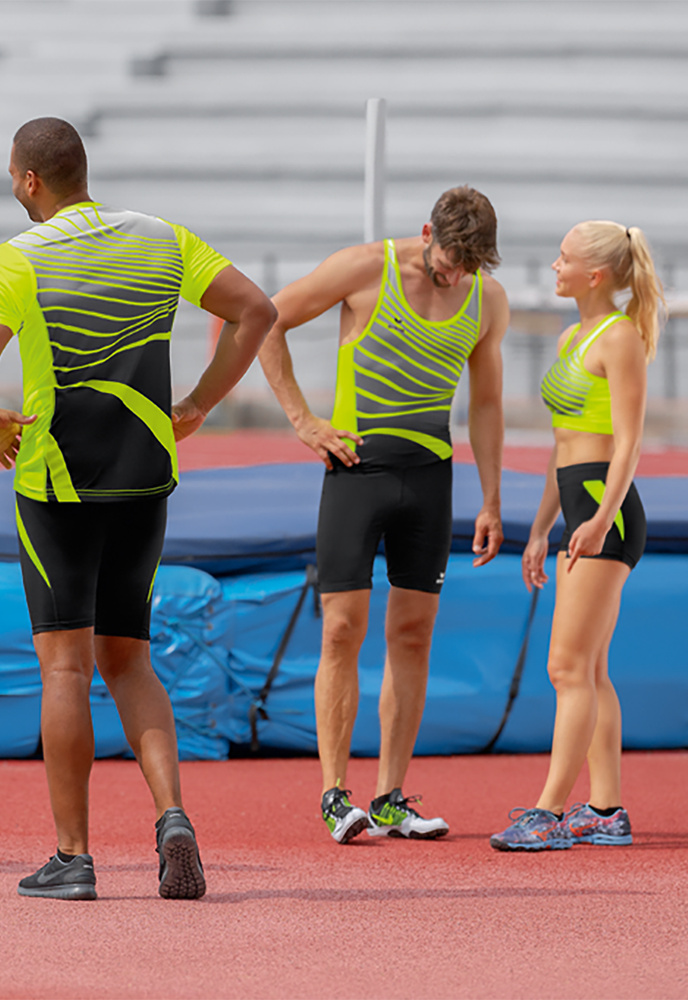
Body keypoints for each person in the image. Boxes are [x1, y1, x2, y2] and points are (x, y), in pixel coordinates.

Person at [0, 117, 276, 900]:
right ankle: (172, 817)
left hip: (58, 485)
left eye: (11, 176)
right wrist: (198, 402)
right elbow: (257, 312)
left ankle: (73, 858)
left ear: (30, 180)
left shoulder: (17, 258)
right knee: (130, 657)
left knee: (64, 665)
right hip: (144, 480)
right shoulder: (163, 238)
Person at [259, 187, 508, 843]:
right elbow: (264, 320)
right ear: (426, 232)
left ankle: (391, 796)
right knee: (342, 627)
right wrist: (303, 421)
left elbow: (485, 404)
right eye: (449, 261)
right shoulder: (366, 268)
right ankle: (336, 795)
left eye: (469, 267)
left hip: (431, 476)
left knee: (413, 634)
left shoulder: (488, 299)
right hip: (357, 470)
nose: (455, 277)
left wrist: (490, 496)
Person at [490, 221, 663, 852]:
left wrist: (595, 519)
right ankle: (606, 810)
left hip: (606, 514)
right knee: (588, 669)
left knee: (564, 666)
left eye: (563, 260)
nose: (553, 267)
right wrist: (541, 529)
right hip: (576, 505)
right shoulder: (572, 335)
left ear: (595, 276)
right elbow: (563, 447)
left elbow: (629, 444)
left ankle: (549, 812)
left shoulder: (620, 339)